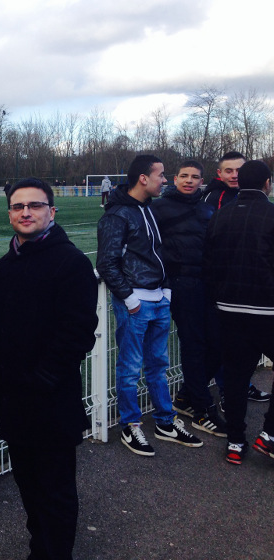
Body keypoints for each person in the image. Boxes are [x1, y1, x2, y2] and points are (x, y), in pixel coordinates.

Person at [0, 178, 97, 560]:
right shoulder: (4, 266)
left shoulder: (71, 263)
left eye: (34, 206)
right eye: (18, 207)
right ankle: (41, 550)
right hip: (13, 403)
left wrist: (42, 379)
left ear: (52, 211)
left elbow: (78, 332)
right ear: (10, 214)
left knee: (55, 491)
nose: (26, 212)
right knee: (29, 487)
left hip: (50, 403)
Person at [96, 154, 203, 456]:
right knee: (130, 368)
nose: (165, 180)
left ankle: (165, 422)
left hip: (159, 300)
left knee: (159, 366)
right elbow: (106, 263)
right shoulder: (117, 215)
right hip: (136, 304)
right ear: (143, 178)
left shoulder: (149, 210)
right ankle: (131, 426)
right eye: (161, 175)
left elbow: (160, 253)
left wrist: (166, 291)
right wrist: (130, 300)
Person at [203, 160, 274, 465]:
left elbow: (208, 264)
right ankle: (269, 435)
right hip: (267, 310)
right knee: (235, 377)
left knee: (234, 377)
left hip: (229, 310)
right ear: (267, 183)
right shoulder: (271, 213)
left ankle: (235, 441)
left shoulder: (220, 215)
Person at [151, 161, 226, 436]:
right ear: (175, 178)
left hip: (208, 284)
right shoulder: (158, 208)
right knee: (194, 345)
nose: (189, 181)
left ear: (201, 180)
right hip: (181, 285)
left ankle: (184, 396)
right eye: (184, 176)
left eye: (195, 177)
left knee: (218, 345)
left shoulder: (207, 209)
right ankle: (202, 409)